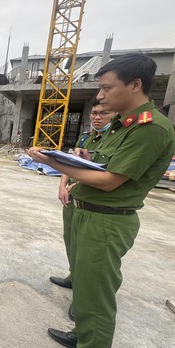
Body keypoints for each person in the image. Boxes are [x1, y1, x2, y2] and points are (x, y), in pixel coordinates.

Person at [28, 53, 175, 348]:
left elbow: (110, 180)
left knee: (96, 294)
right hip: (88, 214)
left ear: (135, 85)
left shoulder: (151, 129)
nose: (101, 96)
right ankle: (83, 337)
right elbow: (101, 164)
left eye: (107, 88)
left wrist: (55, 163)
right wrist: (82, 158)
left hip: (107, 221)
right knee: (83, 285)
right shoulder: (121, 124)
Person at [51, 99, 114, 321]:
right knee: (71, 241)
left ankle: (82, 300)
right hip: (73, 200)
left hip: (92, 202)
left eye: (103, 113)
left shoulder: (112, 139)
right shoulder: (86, 137)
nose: (97, 117)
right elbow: (71, 163)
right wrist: (62, 186)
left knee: (87, 255)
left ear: (114, 115)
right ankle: (72, 276)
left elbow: (107, 175)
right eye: (94, 113)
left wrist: (75, 184)